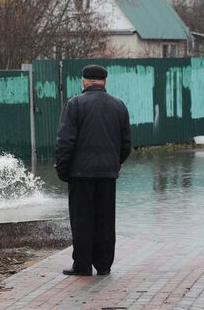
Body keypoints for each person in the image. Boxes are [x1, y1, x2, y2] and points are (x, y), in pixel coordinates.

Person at [55, 64, 131, 276]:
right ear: (104, 82)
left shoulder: (75, 104)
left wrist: (63, 169)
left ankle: (82, 265)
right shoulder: (119, 106)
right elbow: (126, 145)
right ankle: (104, 265)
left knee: (82, 220)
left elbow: (65, 141)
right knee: (106, 220)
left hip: (80, 175)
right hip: (107, 175)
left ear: (84, 81)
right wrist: (113, 164)